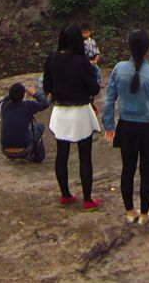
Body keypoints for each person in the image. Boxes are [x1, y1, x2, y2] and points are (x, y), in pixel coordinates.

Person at [102, 29, 149, 225]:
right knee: (146, 171)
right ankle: (145, 214)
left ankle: (130, 211)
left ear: (129, 47)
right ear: (148, 49)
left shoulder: (118, 68)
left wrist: (109, 125)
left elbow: (109, 99)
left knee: (127, 169)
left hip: (126, 126)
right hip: (148, 128)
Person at [43, 23, 102, 210]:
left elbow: (47, 86)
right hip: (80, 112)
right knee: (85, 156)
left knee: (62, 154)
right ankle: (87, 199)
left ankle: (65, 195)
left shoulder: (52, 58)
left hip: (60, 111)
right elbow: (94, 88)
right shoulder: (81, 61)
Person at [0, 81, 49, 162]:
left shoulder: (4, 106)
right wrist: (35, 94)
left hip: (6, 150)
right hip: (23, 150)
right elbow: (45, 103)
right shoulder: (27, 106)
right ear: (23, 96)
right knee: (39, 127)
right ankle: (38, 158)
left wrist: (10, 96)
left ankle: (12, 156)